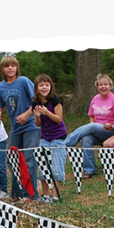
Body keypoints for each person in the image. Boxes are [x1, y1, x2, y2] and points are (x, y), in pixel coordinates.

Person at [0, 56, 40, 201]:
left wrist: (27, 114)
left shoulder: (24, 81)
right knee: (12, 160)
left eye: (13, 65)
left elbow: (37, 99)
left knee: (28, 159)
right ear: (3, 69)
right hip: (15, 128)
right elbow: (0, 104)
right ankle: (16, 193)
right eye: (7, 66)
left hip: (31, 125)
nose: (10, 68)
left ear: (17, 67)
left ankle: (30, 195)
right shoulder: (0, 87)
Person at [65, 73, 114, 179]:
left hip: (110, 131)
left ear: (110, 86)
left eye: (106, 84)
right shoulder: (95, 99)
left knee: (92, 126)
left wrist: (112, 126)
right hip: (96, 130)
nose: (103, 87)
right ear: (97, 87)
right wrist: (93, 125)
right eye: (100, 85)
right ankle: (90, 169)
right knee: (85, 138)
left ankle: (66, 143)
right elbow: (91, 116)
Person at [31, 73, 67, 203]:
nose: (44, 87)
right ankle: (45, 195)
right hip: (45, 137)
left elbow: (58, 119)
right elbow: (38, 124)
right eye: (41, 85)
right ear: (36, 88)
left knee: (57, 167)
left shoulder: (55, 100)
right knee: (43, 166)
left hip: (58, 137)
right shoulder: (35, 102)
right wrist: (37, 116)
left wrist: (47, 112)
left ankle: (55, 196)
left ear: (51, 86)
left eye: (47, 84)